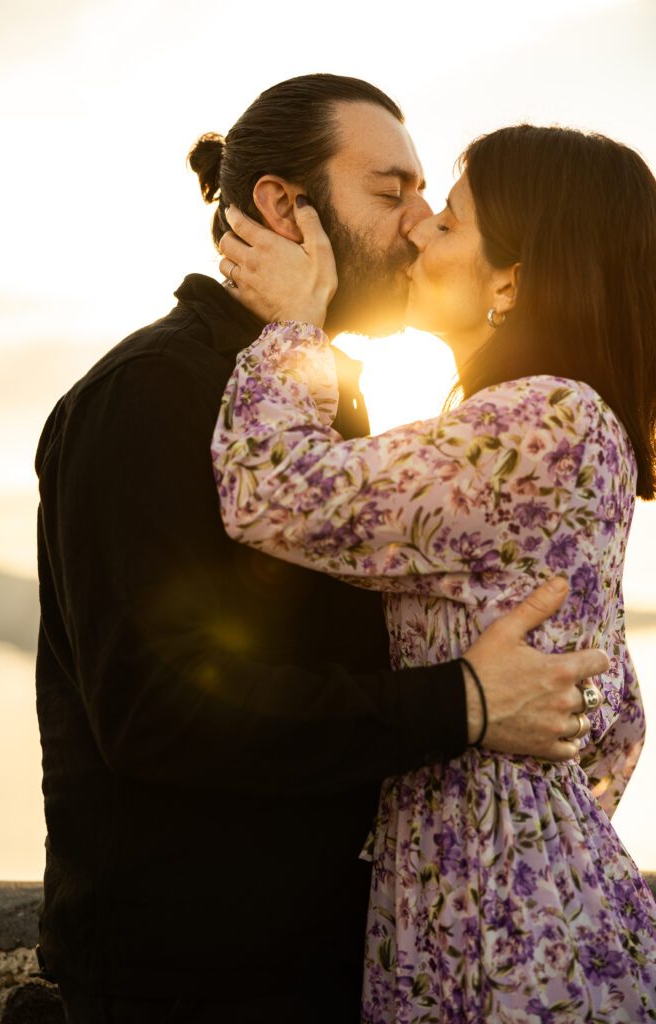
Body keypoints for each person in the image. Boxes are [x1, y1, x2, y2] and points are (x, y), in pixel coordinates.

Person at [35, 75, 605, 1024]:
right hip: (193, 982)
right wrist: (458, 701)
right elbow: (154, 711)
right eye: (392, 192)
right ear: (281, 206)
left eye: (427, 198)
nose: (419, 225)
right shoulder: (152, 394)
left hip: (337, 960)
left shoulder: (320, 400)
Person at [212, 123, 656, 1021]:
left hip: (503, 935)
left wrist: (295, 329)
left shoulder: (546, 421)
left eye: (447, 223)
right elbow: (618, 720)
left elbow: (268, 493)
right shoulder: (546, 424)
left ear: (510, 281)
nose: (416, 231)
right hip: (496, 906)